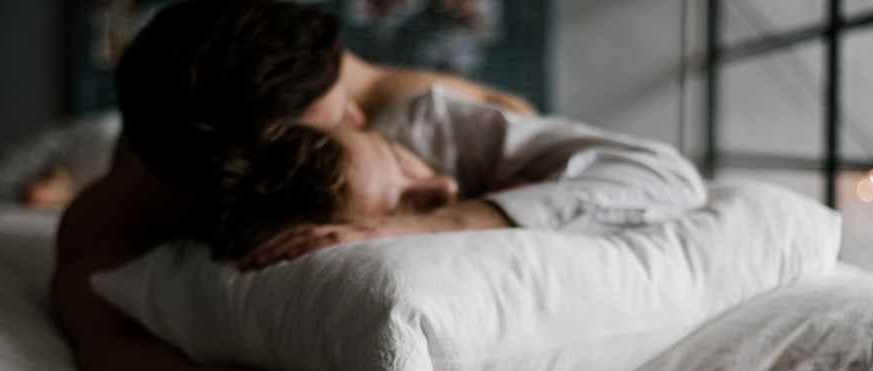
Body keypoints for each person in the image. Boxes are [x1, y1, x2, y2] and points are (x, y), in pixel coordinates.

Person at [52, 1, 663, 371]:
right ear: (257, 173)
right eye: (336, 123)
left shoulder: (362, 89)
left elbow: (530, 130)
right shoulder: (110, 234)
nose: (357, 113)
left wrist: (453, 216)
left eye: (348, 92)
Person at [188, 87, 705, 268]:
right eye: (403, 206)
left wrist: (429, 224)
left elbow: (671, 178)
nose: (443, 187)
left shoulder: (425, 124)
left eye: (399, 160)